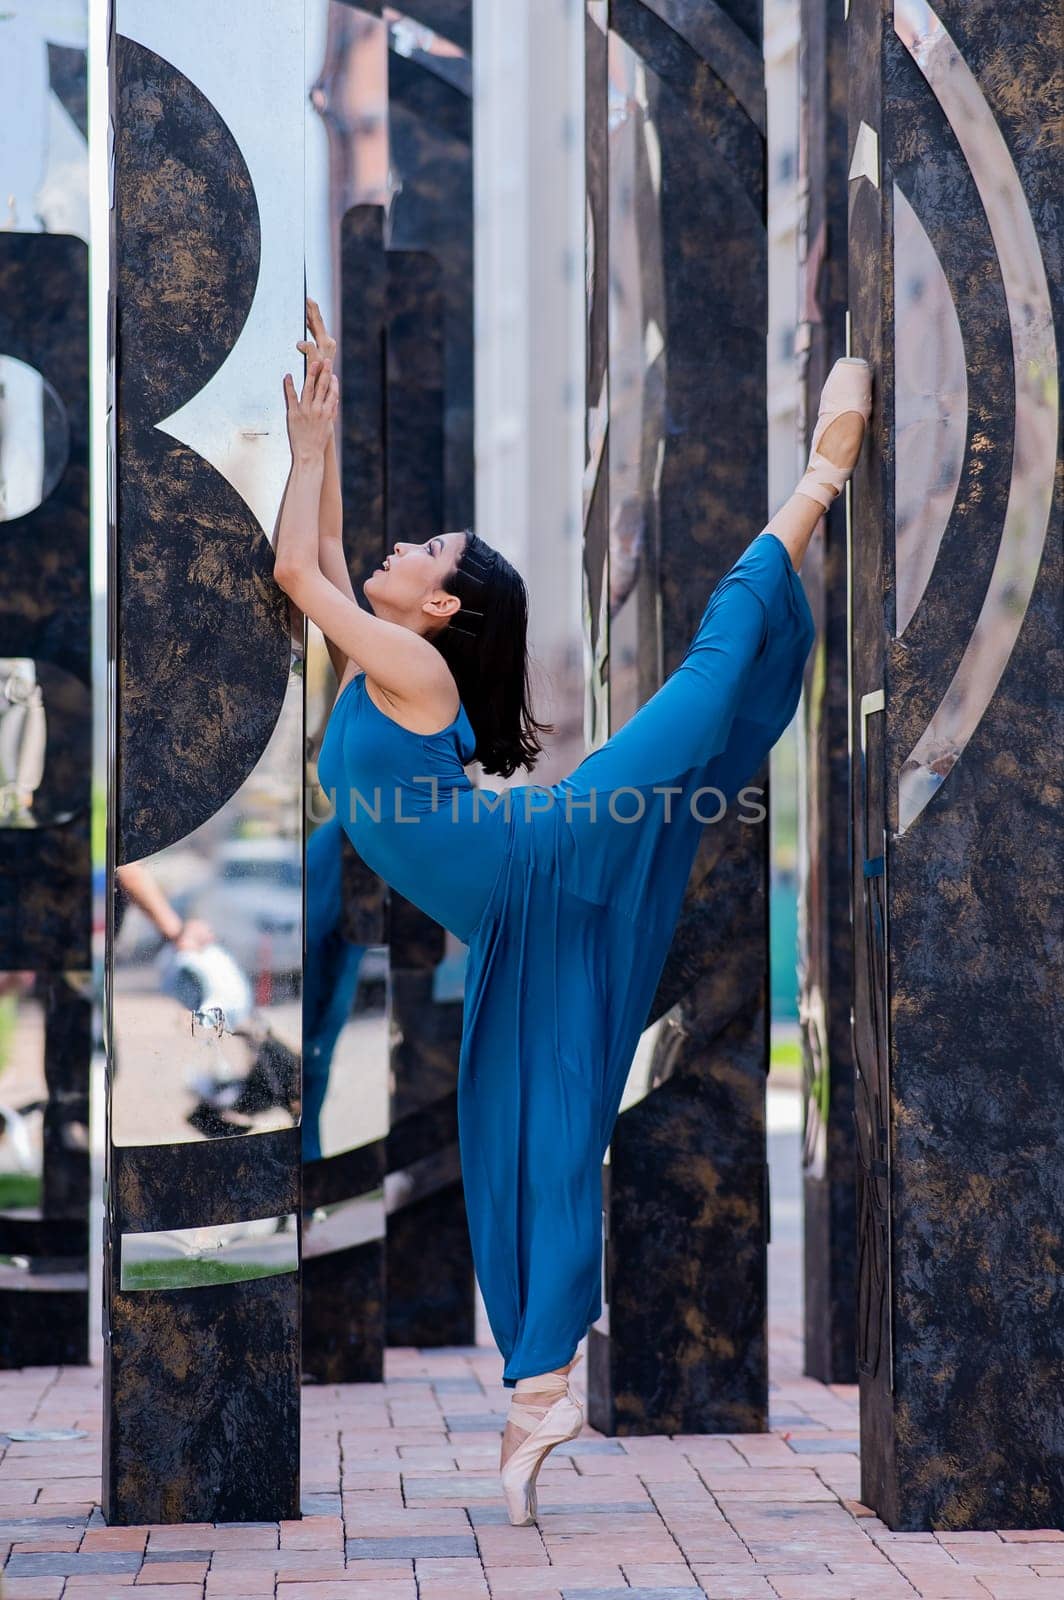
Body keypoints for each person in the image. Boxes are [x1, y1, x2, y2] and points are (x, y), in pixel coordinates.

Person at [275, 298, 871, 1524]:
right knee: (532, 1136)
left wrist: (306, 452)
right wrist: (317, 441)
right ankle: (541, 1384)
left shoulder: (413, 669)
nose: (402, 551)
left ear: (440, 609)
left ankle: (818, 475)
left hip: (546, 855)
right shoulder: (384, 659)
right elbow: (324, 565)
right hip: (518, 912)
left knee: (705, 686)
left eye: (425, 550)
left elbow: (297, 571)